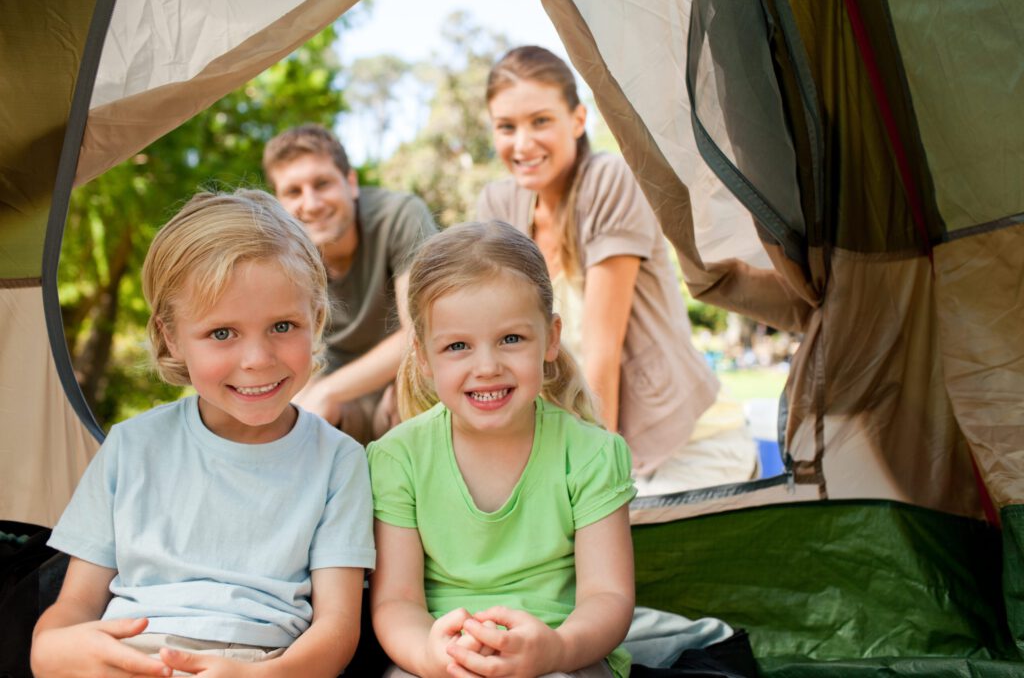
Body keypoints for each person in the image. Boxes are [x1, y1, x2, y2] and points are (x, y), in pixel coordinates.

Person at [31, 190, 375, 677]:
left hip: (260, 666)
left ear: (316, 319)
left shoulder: (338, 460)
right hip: (126, 655)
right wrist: (56, 651)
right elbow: (71, 612)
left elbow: (337, 628)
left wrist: (259, 676)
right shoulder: (130, 448)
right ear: (171, 335)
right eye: (222, 333)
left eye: (283, 325)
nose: (257, 359)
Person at [477, 46, 757, 489]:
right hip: (580, 439)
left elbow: (601, 353)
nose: (522, 143)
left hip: (681, 445)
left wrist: (592, 485)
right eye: (506, 127)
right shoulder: (498, 206)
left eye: (540, 121)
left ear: (577, 120)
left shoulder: (608, 180)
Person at [368, 221, 636, 678]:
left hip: (564, 655)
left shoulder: (592, 453)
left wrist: (556, 650)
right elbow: (397, 602)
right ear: (423, 358)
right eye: (457, 346)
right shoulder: (399, 458)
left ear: (550, 338)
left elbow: (607, 597)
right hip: (440, 659)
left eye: (511, 339)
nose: (487, 367)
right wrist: (432, 657)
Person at [263, 124, 438, 445]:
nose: (311, 204)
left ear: (351, 183)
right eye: (293, 192)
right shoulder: (281, 255)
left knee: (416, 394)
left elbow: (422, 332)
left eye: (322, 183)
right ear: (279, 204)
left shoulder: (398, 215)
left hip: (406, 385)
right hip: (344, 406)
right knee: (296, 422)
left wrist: (328, 389)